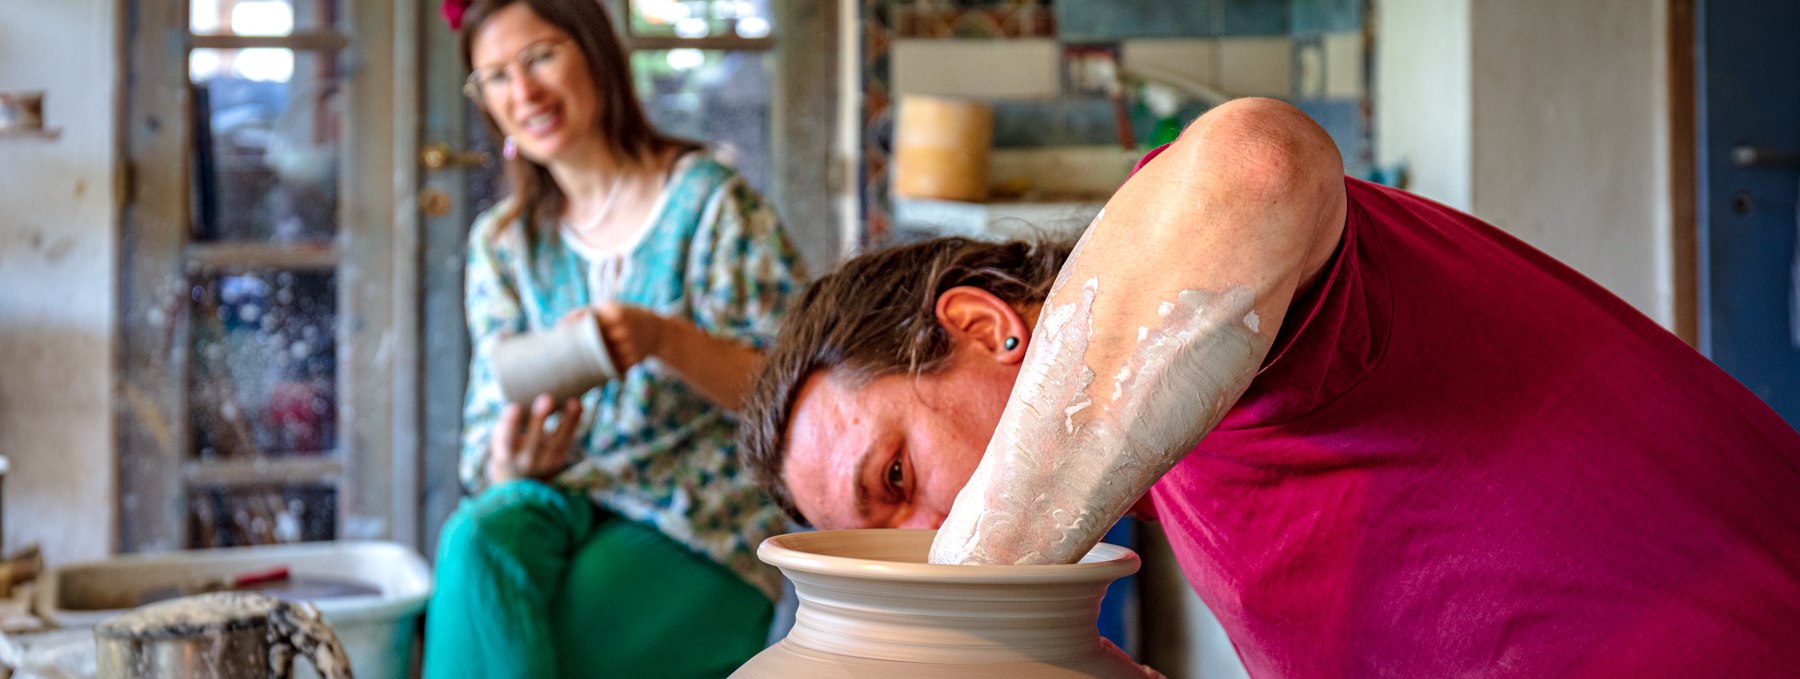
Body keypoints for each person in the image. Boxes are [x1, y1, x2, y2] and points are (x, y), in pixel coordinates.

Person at [740, 97, 1800, 676]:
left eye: (897, 474)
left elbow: (1254, 162)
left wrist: (952, 606)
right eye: (904, 545)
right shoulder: (1186, 473)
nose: (929, 531)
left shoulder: (1215, 316)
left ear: (981, 323)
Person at [424, 0, 806, 677]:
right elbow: (488, 426)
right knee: (473, 539)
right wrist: (511, 464)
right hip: (560, 500)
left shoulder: (710, 204)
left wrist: (660, 338)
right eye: (497, 77)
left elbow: (800, 397)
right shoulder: (505, 244)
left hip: (698, 520)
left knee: (528, 644)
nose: (525, 92)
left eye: (540, 57)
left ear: (596, 52)